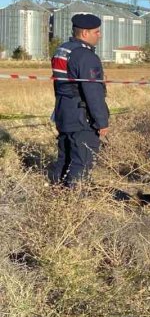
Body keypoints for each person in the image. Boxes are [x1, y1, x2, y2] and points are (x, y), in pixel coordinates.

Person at [49, 13, 110, 187]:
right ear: (85, 33)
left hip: (63, 112)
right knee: (81, 161)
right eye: (96, 32)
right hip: (80, 115)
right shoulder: (85, 56)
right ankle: (75, 201)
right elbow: (93, 91)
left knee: (65, 158)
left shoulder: (63, 50)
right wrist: (101, 121)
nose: (100, 35)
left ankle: (55, 194)